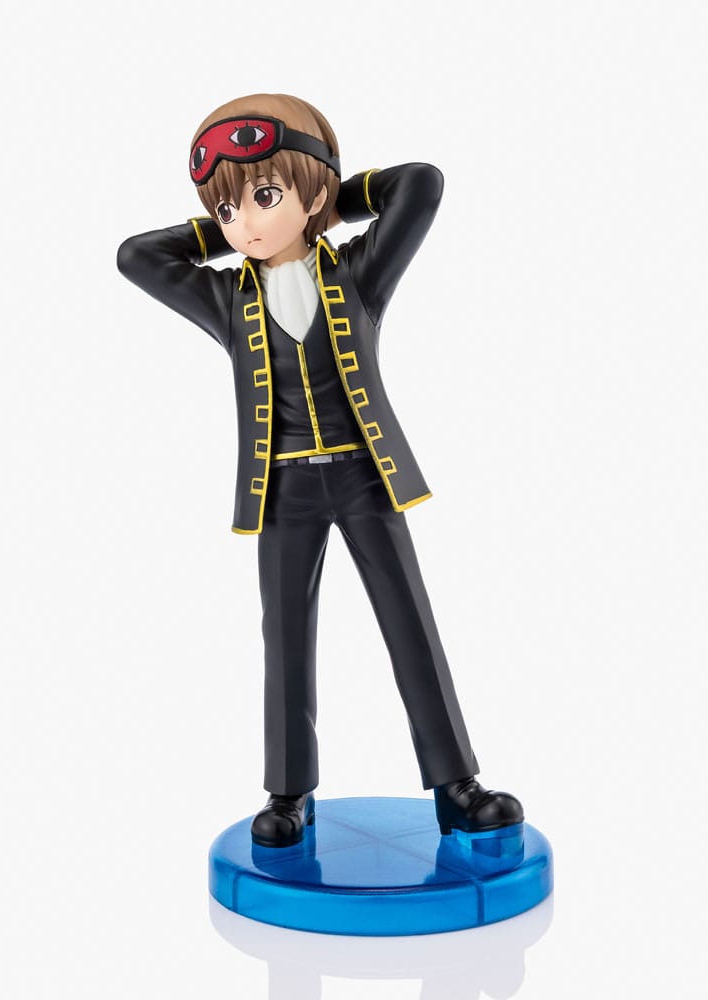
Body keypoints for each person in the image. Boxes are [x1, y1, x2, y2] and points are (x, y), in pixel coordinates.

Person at [117, 93, 523, 848]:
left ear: (311, 196)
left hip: (366, 477)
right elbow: (137, 256)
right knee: (286, 641)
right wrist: (231, 218)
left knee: (410, 627)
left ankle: (457, 786)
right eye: (227, 209)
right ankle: (288, 793)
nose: (245, 223)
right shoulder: (226, 297)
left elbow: (420, 183)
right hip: (284, 491)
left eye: (263, 197)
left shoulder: (361, 273)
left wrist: (331, 201)